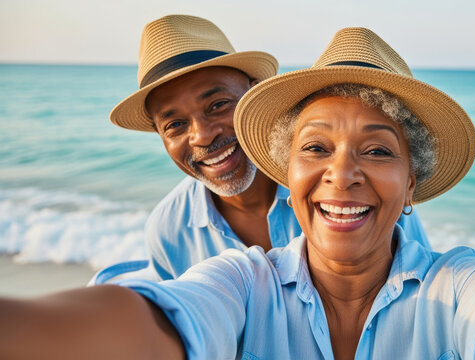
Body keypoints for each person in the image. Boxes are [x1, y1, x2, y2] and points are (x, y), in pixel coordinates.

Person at [2, 27, 475, 360]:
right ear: (288, 172)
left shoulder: (449, 282)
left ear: (412, 188)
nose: (342, 174)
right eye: (315, 148)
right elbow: (158, 322)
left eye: (377, 150)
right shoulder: (230, 274)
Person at [100, 15, 429, 282]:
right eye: (175, 125)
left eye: (218, 105)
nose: (201, 136)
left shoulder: (347, 195)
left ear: (253, 96)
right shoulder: (170, 229)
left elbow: (421, 290)